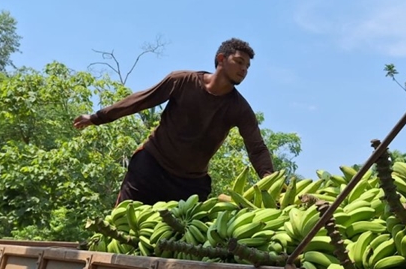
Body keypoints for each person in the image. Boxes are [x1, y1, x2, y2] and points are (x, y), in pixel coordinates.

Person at [74, 38, 275, 205]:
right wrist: (96, 118)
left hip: (190, 183)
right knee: (122, 225)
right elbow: (140, 101)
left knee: (181, 242)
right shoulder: (183, 81)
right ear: (221, 59)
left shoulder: (240, 109)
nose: (244, 69)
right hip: (151, 167)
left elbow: (256, 148)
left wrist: (270, 179)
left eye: (247, 66)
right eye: (239, 62)